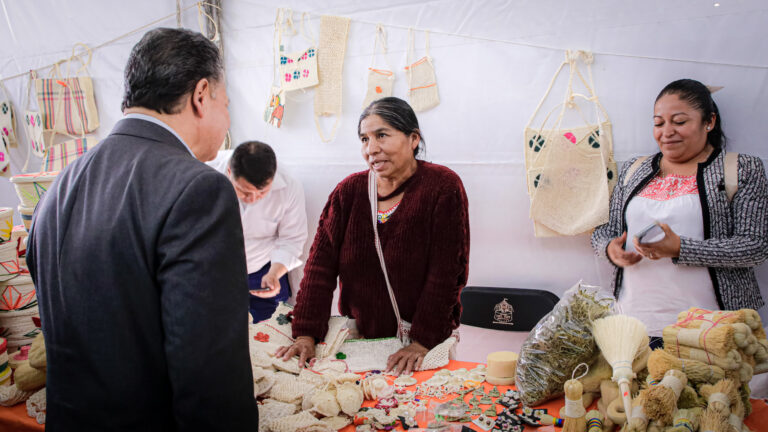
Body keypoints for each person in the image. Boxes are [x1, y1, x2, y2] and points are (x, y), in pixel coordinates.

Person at [26, 28, 258, 430]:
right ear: (201, 95)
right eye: (227, 102)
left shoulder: (61, 184)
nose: (228, 118)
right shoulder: (198, 188)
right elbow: (209, 375)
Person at [277, 97, 470, 375]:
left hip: (420, 351)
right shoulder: (348, 193)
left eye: (382, 135)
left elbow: (447, 272)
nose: (372, 149)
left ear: (413, 139)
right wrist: (306, 333)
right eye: (364, 139)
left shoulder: (442, 187)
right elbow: (320, 267)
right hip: (360, 344)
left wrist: (422, 342)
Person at [592, 78, 768, 346]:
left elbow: (755, 246)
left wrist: (681, 249)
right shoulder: (633, 169)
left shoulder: (741, 169)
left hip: (713, 330)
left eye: (679, 121)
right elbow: (606, 231)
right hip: (635, 325)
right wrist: (610, 249)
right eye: (659, 123)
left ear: (708, 121)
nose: (667, 132)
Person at [207, 141, 308, 322]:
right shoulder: (206, 173)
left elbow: (292, 240)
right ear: (229, 172)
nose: (252, 200)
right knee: (220, 331)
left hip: (264, 269)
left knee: (271, 334)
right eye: (244, 192)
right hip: (216, 271)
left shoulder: (290, 185)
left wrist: (274, 273)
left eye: (262, 192)